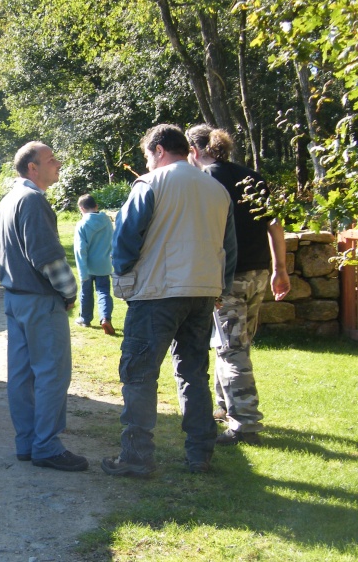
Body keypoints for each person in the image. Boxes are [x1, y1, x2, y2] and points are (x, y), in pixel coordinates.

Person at [101, 124, 237, 477]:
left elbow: (125, 240)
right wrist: (219, 286)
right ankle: (199, 455)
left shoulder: (151, 184)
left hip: (157, 292)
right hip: (203, 292)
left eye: (148, 156)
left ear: (159, 150)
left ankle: (136, 457)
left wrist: (124, 275)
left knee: (139, 374)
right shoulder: (216, 188)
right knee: (194, 373)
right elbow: (229, 247)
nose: (147, 164)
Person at [186, 124, 291, 446]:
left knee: (232, 350)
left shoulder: (204, 182)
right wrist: (280, 269)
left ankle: (245, 424)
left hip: (228, 279)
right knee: (232, 344)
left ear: (193, 151)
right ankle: (223, 406)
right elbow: (275, 227)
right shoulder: (252, 177)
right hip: (260, 274)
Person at [0, 141, 89, 472]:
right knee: (51, 374)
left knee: (21, 375)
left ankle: (28, 443)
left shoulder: (9, 200)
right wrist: (69, 290)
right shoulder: (32, 200)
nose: (58, 164)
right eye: (51, 160)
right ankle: (46, 446)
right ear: (32, 168)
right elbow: (46, 257)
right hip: (38, 300)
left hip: (15, 299)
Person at [73, 194, 116, 335]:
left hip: (88, 265)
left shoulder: (82, 224)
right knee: (103, 292)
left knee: (86, 292)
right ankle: (105, 317)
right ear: (96, 206)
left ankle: (85, 318)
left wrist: (82, 271)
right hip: (104, 263)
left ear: (81, 208)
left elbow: (80, 249)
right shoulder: (107, 221)